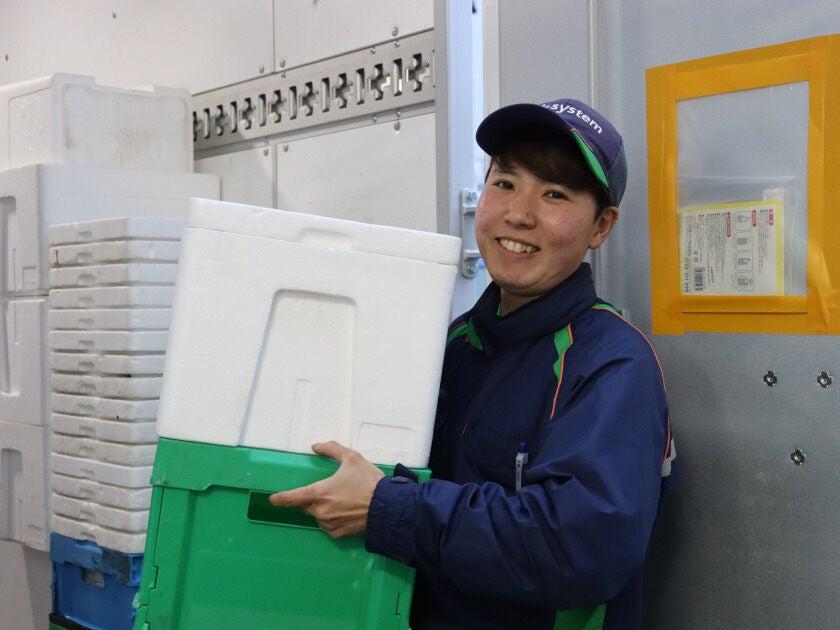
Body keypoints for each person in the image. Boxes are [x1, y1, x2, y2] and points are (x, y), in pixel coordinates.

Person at [270, 98, 676, 630]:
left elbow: (580, 546)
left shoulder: (613, 362)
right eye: (505, 183)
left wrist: (387, 508)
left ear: (601, 226)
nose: (519, 214)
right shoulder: (457, 342)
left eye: (554, 194)